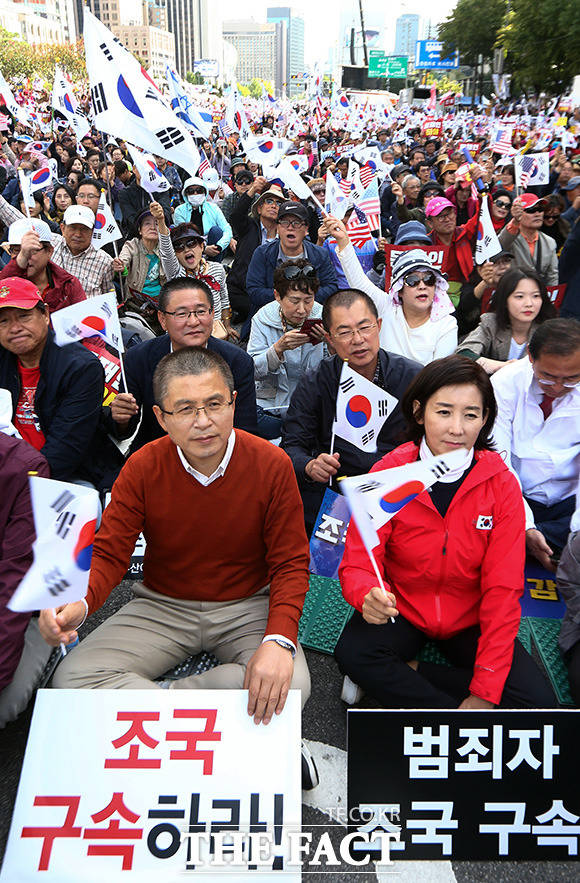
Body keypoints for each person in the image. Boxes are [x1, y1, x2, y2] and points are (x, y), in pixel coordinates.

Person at [39, 347, 314, 748]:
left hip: (248, 603)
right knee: (71, 679)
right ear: (161, 418)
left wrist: (277, 642)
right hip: (163, 604)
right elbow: (111, 552)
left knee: (292, 687)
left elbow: (290, 562)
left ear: (234, 403)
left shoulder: (271, 464)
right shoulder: (142, 466)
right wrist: (79, 603)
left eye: (214, 404)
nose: (203, 422)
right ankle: (182, 702)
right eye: (184, 409)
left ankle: (164, 700)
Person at [336, 355, 555, 709]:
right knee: (353, 654)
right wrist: (367, 595)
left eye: (471, 414)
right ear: (420, 412)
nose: (457, 428)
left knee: (537, 700)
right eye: (444, 412)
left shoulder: (501, 484)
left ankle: (415, 677)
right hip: (402, 606)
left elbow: (503, 590)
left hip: (471, 615)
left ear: (485, 420)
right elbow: (360, 563)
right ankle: (448, 711)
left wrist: (484, 692)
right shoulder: (390, 473)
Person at [281, 288, 421, 526]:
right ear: (330, 339)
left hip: (397, 490)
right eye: (344, 332)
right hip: (335, 490)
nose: (358, 339)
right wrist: (310, 465)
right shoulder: (316, 381)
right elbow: (292, 446)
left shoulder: (413, 377)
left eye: (365, 327)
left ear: (378, 325)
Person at [106, 277, 257, 454]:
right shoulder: (138, 358)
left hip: (219, 455)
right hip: (158, 454)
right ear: (162, 319)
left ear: (212, 313)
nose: (193, 322)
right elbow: (124, 429)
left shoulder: (237, 361)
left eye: (201, 312)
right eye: (181, 314)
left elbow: (245, 430)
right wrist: (121, 418)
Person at [0, 277, 120, 490]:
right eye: (3, 321)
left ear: (45, 315)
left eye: (24, 316)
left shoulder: (81, 368)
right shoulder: (4, 359)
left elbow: (65, 450)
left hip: (67, 476)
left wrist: (15, 489)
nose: (14, 328)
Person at [491, 319, 580, 569]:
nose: (559, 387)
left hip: (568, 501)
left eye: (572, 378)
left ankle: (528, 542)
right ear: (530, 355)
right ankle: (530, 539)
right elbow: (500, 462)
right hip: (517, 497)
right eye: (548, 377)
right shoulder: (505, 382)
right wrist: (526, 525)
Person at [325, 216, 458, 364]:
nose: (422, 286)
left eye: (429, 279)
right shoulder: (387, 308)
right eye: (412, 281)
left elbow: (439, 373)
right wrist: (343, 241)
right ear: (399, 289)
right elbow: (358, 282)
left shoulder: (447, 324)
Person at [0, 414, 51, 728]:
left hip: (18, 610)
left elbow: (14, 579)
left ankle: (53, 648)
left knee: (4, 706)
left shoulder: (24, 467)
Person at [247, 260, 326, 437]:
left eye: (308, 300)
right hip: (271, 405)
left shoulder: (324, 316)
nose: (302, 310)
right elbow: (250, 369)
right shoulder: (262, 318)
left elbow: (339, 369)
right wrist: (277, 349)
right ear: (277, 295)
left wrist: (331, 342)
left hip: (311, 406)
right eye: (294, 301)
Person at [0, 197, 114, 299]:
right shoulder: (50, 241)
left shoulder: (104, 261)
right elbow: (17, 220)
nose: (78, 234)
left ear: (93, 232)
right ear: (63, 228)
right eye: (73, 228)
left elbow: (108, 298)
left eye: (84, 229)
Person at [151, 202, 235, 338]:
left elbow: (224, 300)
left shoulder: (217, 269)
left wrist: (227, 326)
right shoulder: (176, 274)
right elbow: (166, 250)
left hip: (215, 333)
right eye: (179, 247)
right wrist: (160, 221)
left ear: (202, 246)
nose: (186, 249)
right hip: (186, 333)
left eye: (191, 243)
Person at [246, 200, 338, 319]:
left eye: (297, 223)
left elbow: (331, 287)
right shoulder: (262, 253)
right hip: (271, 316)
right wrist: (287, 298)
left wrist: (304, 298)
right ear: (277, 228)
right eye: (284, 222)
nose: (290, 228)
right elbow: (254, 291)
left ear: (306, 230)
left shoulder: (320, 254)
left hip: (311, 316)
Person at [457, 269, 556, 374]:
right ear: (504, 300)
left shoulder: (549, 330)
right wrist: (503, 366)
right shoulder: (491, 323)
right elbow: (463, 354)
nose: (529, 303)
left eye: (535, 296)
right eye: (520, 297)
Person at [228, 181, 285, 324]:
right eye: (269, 201)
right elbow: (236, 215)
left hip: (272, 292)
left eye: (278, 203)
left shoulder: (286, 235)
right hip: (241, 289)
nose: (274, 205)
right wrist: (252, 189)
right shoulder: (248, 227)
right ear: (259, 209)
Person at [0, 219, 87, 312]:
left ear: (49, 251)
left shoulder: (68, 285)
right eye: (17, 251)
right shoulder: (5, 279)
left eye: (32, 250)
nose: (26, 257)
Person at [113, 209, 165, 331]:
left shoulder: (166, 248)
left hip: (161, 301)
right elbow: (123, 260)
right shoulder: (132, 245)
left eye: (157, 223)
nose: (153, 227)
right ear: (139, 230)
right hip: (137, 303)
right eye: (147, 223)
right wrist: (121, 266)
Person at [499, 194, 558, 285]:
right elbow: (500, 246)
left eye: (540, 210)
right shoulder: (510, 237)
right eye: (531, 210)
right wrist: (515, 221)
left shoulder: (550, 242)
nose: (537, 214)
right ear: (518, 213)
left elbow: (552, 277)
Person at [173, 177, 232, 259]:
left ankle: (214, 266)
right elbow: (183, 236)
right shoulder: (179, 211)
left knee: (216, 231)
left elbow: (227, 229)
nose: (195, 193)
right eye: (191, 191)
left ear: (205, 192)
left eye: (199, 190)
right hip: (190, 245)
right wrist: (203, 248)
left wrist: (219, 246)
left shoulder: (213, 208)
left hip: (213, 246)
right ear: (186, 194)